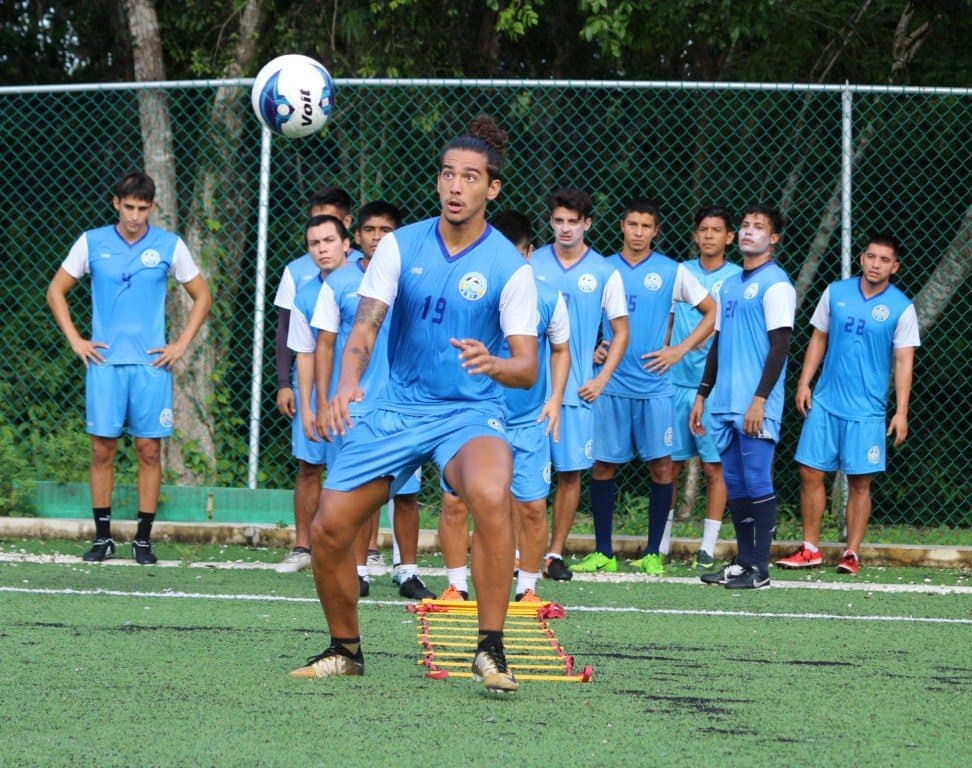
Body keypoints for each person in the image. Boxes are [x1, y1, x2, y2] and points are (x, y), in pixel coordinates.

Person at [290, 116, 538, 694]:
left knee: (488, 492)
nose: (455, 186)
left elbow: (525, 367)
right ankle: (345, 649)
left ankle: (490, 649)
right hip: (396, 407)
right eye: (448, 174)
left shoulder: (509, 266)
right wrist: (347, 383)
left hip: (470, 411)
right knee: (328, 529)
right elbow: (365, 327)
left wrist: (494, 364)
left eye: (470, 177)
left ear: (491, 189)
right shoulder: (400, 246)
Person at [46, 171, 212, 564]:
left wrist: (180, 345)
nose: (135, 215)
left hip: (151, 367)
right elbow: (56, 290)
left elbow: (202, 295)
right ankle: (103, 539)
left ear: (152, 207)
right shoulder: (92, 242)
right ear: (116, 204)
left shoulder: (169, 245)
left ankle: (143, 539)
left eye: (143, 208)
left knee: (149, 450)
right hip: (104, 364)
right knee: (102, 450)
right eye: (129, 207)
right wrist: (76, 340)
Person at [577, 198, 716, 577]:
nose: (638, 232)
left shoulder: (673, 272)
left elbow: (711, 312)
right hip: (610, 386)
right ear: (622, 226)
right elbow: (575, 316)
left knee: (662, 466)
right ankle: (603, 551)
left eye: (646, 226)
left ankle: (654, 553)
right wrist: (592, 347)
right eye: (632, 225)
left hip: (655, 388)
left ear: (655, 231)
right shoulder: (602, 269)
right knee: (603, 466)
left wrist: (679, 350)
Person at [438, 209, 570, 603]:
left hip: (528, 419)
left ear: (529, 253)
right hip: (474, 416)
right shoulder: (470, 289)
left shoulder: (548, 297)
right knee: (455, 501)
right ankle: (456, 585)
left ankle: (527, 588)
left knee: (531, 508)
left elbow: (561, 350)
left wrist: (557, 399)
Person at [309, 201, 432, 600]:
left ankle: (407, 571)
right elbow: (325, 344)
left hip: (404, 403)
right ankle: (358, 570)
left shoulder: (414, 279)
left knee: (408, 493)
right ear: (356, 236)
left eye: (385, 231)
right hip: (358, 405)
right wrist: (327, 399)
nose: (377, 238)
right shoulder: (339, 283)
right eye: (370, 230)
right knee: (365, 490)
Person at [777, 233, 919, 575]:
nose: (876, 264)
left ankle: (851, 553)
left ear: (894, 267)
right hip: (826, 401)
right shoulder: (835, 292)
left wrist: (901, 411)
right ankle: (810, 547)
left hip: (867, 411)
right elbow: (818, 338)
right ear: (861, 259)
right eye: (871, 257)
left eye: (884, 260)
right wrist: (804, 381)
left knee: (859, 481)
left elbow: (903, 361)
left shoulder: (901, 307)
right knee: (810, 471)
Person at [690, 204, 795, 590]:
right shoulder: (728, 285)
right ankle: (743, 563)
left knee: (755, 479)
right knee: (734, 483)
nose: (750, 232)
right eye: (746, 226)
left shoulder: (777, 284)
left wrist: (760, 399)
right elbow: (718, 343)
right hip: (724, 403)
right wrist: (703, 394)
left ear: (774, 238)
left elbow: (780, 346)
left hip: (755, 404)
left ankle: (760, 569)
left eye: (759, 227)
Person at [529, 188, 629, 581]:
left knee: (569, 474)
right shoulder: (531, 264)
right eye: (559, 221)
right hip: (531, 392)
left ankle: (554, 554)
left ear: (587, 223)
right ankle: (523, 549)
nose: (565, 228)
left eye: (574, 221)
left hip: (577, 392)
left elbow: (620, 332)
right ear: (551, 222)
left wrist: (601, 379)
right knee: (524, 472)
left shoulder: (605, 272)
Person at [272, 186, 356, 573]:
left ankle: (360, 556)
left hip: (356, 395)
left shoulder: (367, 278)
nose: (322, 248)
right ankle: (303, 548)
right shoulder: (301, 282)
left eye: (329, 239)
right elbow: (291, 336)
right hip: (312, 393)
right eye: (314, 242)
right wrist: (287, 386)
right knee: (310, 466)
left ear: (345, 239)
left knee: (357, 471)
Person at [669, 206, 741, 576]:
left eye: (717, 230)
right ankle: (660, 543)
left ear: (730, 237)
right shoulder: (678, 273)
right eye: (703, 229)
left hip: (715, 387)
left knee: (716, 467)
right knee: (667, 466)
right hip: (673, 381)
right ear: (695, 235)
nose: (709, 235)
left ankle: (707, 547)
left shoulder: (739, 279)